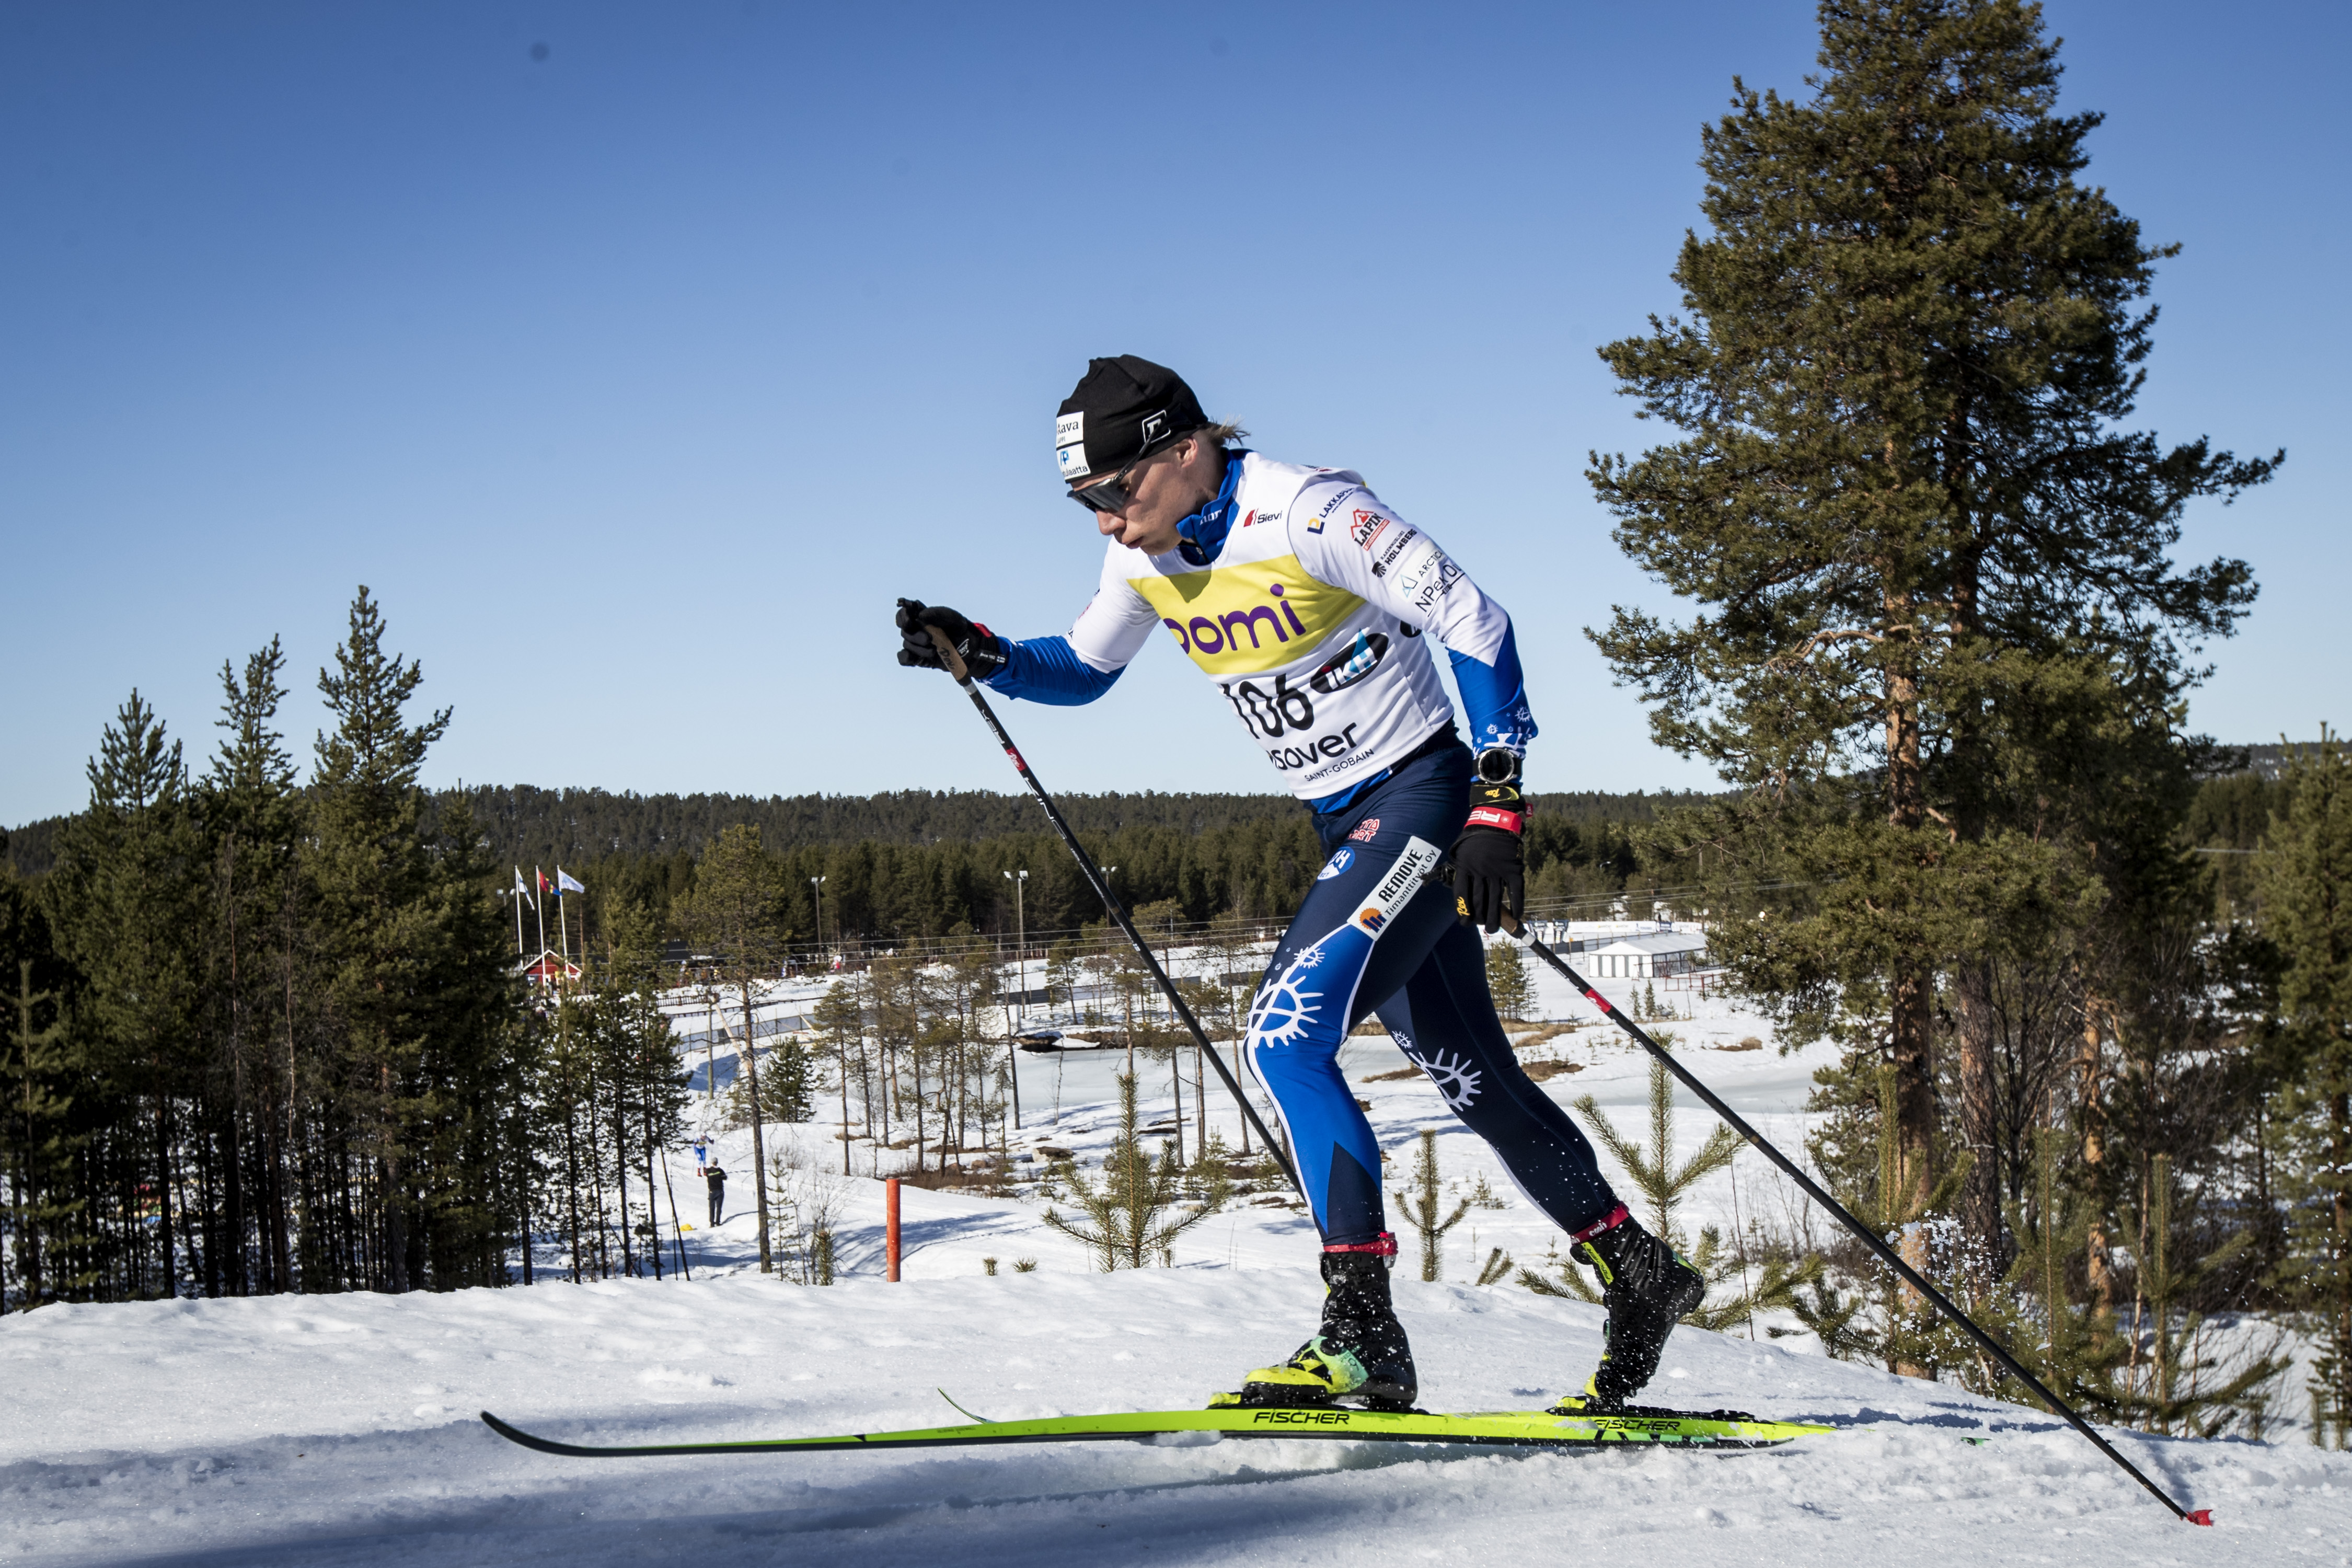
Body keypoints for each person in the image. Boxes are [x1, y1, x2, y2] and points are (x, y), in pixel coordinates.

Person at [895, 355, 1703, 1413]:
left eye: (1113, 492)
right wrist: (986, 652)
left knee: (1283, 1035)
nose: (1103, 520)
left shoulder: (1311, 512)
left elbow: (1474, 618)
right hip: (1345, 822)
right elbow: (1086, 670)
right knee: (1471, 1075)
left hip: (1420, 794)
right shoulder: (1148, 556)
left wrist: (1499, 802)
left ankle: (1363, 1331)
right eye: (1081, 503)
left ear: (1186, 451)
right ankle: (1638, 1270)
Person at [704, 1161, 727, 1228]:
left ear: (712, 1163)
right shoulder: (720, 1170)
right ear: (717, 1163)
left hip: (712, 1191)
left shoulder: (708, 1170)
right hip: (720, 1191)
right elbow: (725, 1178)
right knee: (719, 1207)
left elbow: (705, 1174)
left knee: (712, 1208)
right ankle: (718, 1222)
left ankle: (712, 1223)